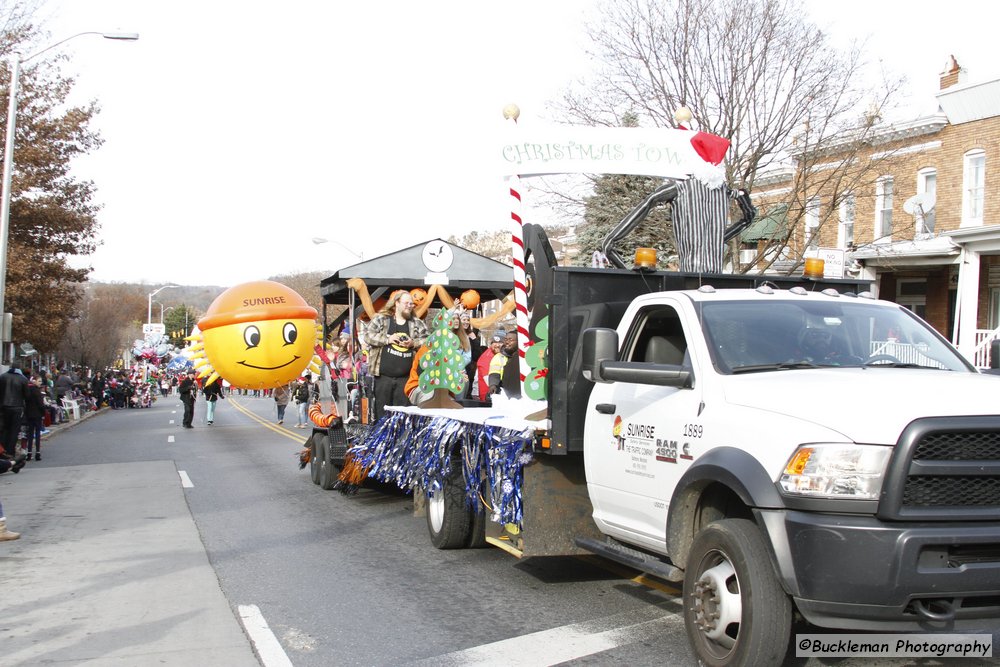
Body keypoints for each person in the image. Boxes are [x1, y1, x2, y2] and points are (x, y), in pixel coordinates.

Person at [364, 290, 429, 420]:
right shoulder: (381, 319)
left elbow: (429, 341)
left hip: (405, 378)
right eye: (406, 303)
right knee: (382, 415)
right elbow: (368, 336)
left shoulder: (417, 323)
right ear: (396, 303)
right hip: (383, 377)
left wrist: (413, 343)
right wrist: (387, 339)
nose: (410, 306)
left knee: (402, 416)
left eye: (411, 304)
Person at [405, 308, 471, 406]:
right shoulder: (428, 347)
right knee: (433, 400)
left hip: (444, 390)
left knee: (463, 383)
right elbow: (422, 372)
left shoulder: (451, 351)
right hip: (422, 385)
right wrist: (453, 375)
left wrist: (457, 376)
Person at [0, 361, 29, 459]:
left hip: (4, 406)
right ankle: (10, 451)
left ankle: (2, 451)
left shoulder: (3, 377)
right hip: (17, 407)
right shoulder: (23, 379)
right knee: (14, 431)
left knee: (5, 429)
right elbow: (27, 395)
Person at [488, 329, 521, 398]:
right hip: (505, 391)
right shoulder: (498, 357)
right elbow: (494, 373)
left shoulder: (523, 357)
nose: (507, 342)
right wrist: (493, 385)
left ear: (519, 342)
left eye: (510, 340)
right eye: (506, 339)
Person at [459, 311, 483, 398]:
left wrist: (474, 340)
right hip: (457, 366)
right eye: (464, 320)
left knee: (467, 389)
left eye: (468, 320)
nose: (466, 322)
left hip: (469, 367)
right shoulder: (455, 335)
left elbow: (477, 354)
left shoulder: (471, 335)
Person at [24, 375, 46, 461]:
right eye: (39, 381)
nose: (40, 383)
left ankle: (29, 453)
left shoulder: (27, 390)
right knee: (37, 434)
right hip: (37, 415)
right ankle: (37, 452)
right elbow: (41, 404)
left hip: (29, 415)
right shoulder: (37, 391)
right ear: (34, 381)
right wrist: (43, 413)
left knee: (30, 434)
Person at [476, 333, 502, 401]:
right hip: (489, 397)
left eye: (500, 342)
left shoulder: (502, 355)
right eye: (494, 342)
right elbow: (489, 381)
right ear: (491, 344)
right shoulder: (486, 358)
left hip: (499, 394)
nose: (497, 345)